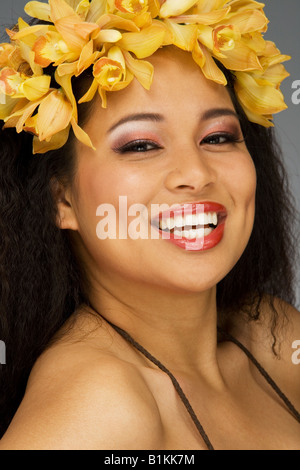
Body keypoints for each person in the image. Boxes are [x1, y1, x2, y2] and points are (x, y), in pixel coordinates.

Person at [0, 0, 299, 450]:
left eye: (218, 137)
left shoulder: (273, 335)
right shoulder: (97, 404)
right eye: (140, 145)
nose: (196, 174)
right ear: (60, 199)